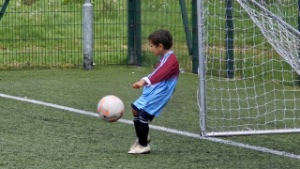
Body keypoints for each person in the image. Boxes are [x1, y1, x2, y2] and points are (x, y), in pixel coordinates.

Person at [128, 29, 180, 154]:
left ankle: (143, 145)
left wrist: (143, 82)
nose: (150, 48)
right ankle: (142, 138)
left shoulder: (171, 60)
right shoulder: (165, 58)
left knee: (144, 114)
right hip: (155, 89)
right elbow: (157, 72)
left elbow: (159, 74)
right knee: (135, 109)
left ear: (160, 46)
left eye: (151, 46)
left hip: (162, 92)